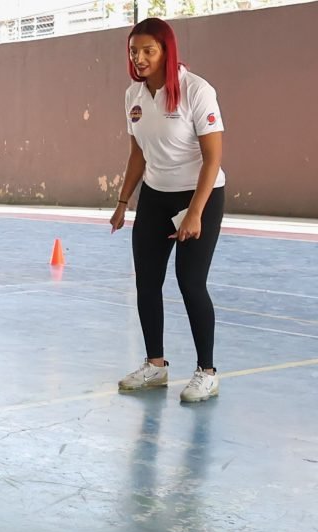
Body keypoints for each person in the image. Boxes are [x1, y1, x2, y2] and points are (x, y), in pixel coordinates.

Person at [109, 18, 225, 403]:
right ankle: (155, 366)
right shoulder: (133, 96)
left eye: (148, 50)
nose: (139, 58)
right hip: (156, 196)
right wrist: (123, 202)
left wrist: (195, 211)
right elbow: (137, 154)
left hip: (200, 194)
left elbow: (213, 158)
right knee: (146, 281)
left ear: (166, 51)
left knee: (190, 281)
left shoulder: (197, 90)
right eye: (133, 51)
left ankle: (207, 372)